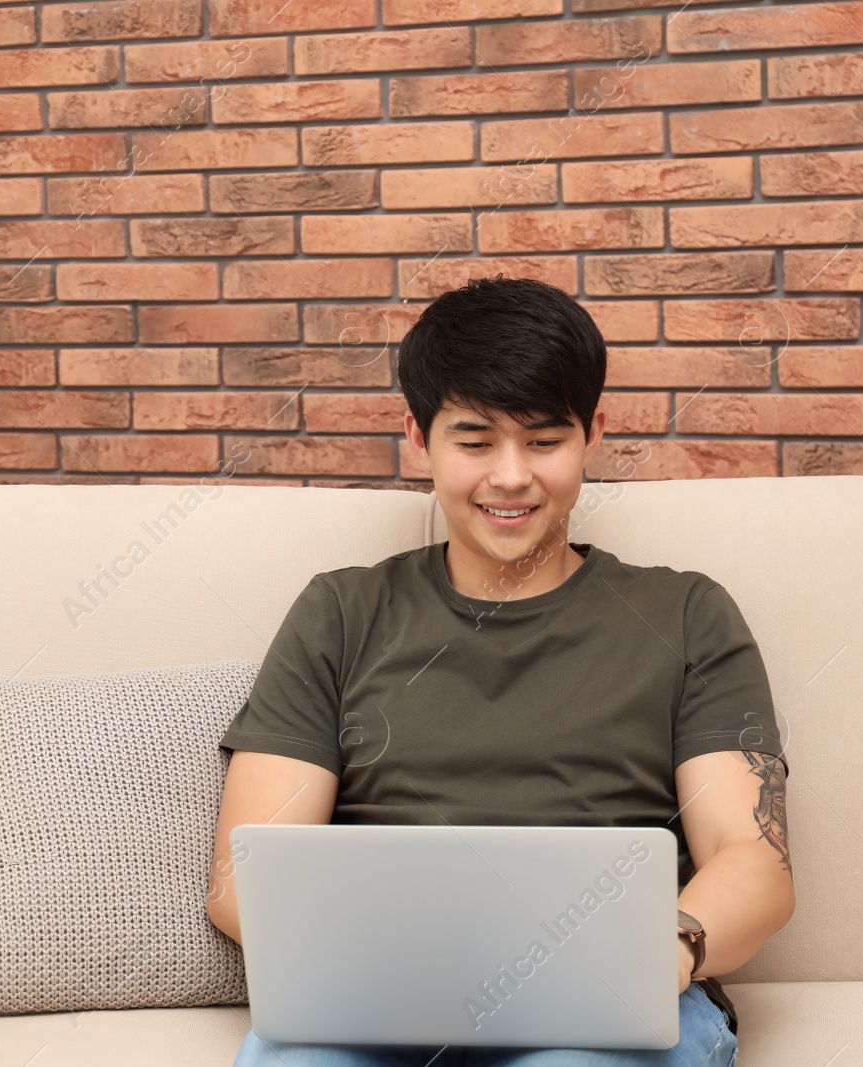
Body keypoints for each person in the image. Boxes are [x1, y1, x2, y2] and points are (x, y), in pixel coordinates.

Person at [206, 275, 793, 1067]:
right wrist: (411, 963)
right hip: (379, 995)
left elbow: (753, 857)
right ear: (417, 436)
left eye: (545, 441)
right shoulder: (340, 612)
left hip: (604, 1005)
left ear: (594, 434)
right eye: (475, 441)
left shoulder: (688, 613)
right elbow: (246, 876)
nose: (511, 476)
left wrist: (668, 948)